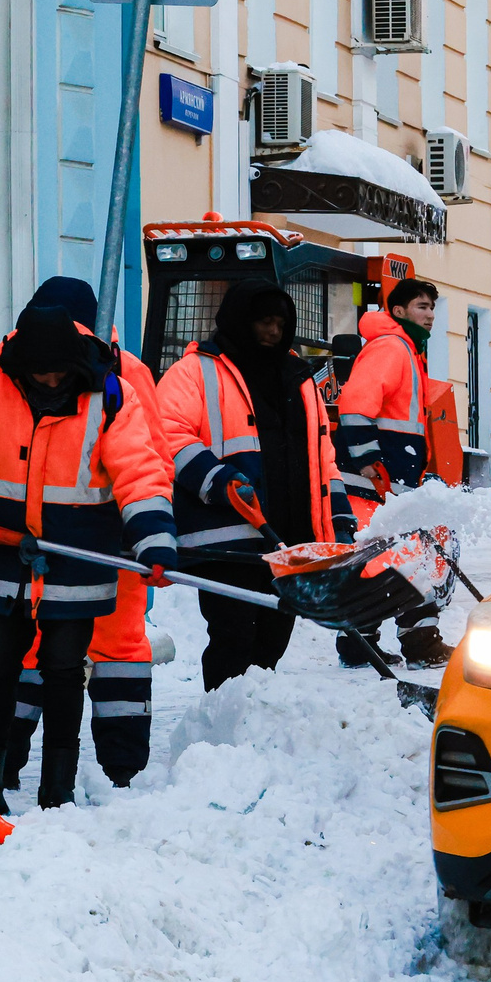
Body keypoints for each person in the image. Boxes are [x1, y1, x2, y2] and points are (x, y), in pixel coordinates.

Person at [0, 292, 175, 813]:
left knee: (64, 670)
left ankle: (57, 791)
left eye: (57, 375)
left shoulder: (110, 392)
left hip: (77, 561)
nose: (49, 383)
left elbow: (140, 469)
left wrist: (155, 537)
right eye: (38, 375)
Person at [158, 283, 357, 689]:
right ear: (240, 321)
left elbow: (323, 459)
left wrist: (338, 517)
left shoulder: (299, 378)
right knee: (232, 638)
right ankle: (220, 728)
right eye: (265, 322)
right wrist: (217, 479)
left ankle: (253, 721)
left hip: (288, 541)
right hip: (227, 541)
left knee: (272, 640)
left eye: (281, 323)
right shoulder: (194, 372)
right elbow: (167, 433)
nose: (273, 331)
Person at [335, 276, 450, 667]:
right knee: (403, 562)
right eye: (422, 307)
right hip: (373, 481)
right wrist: (368, 460)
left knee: (384, 561)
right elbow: (354, 404)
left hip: (388, 480)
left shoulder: (407, 350)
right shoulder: (392, 348)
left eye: (432, 307)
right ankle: (418, 646)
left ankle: (359, 644)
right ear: (398, 311)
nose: (430, 315)